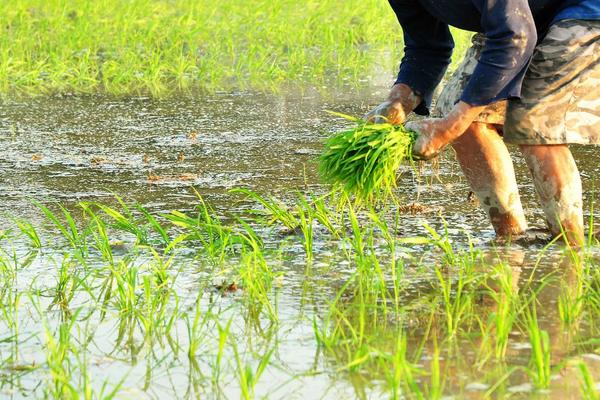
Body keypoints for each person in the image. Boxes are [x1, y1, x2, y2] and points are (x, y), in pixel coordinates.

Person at [366, 0, 599, 246]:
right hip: (521, 21)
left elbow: (515, 37)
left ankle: (570, 247)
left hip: (582, 12)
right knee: (459, 108)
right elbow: (427, 47)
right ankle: (511, 238)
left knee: (535, 121)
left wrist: (448, 128)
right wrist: (398, 101)